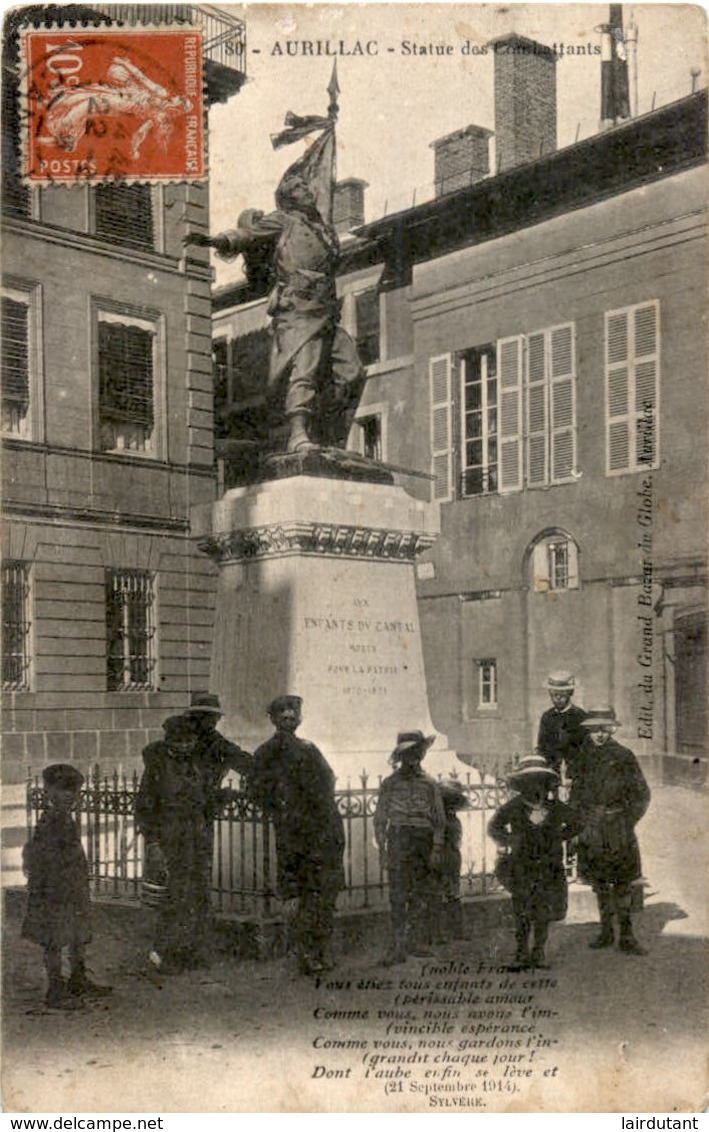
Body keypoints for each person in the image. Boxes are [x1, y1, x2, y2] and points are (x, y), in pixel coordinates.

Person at [185, 172, 365, 454]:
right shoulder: (282, 220)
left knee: (352, 371)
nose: (304, 190)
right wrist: (216, 241)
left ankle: (333, 436)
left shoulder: (324, 230)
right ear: (286, 199)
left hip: (326, 309)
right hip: (298, 308)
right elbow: (247, 235)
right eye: (295, 188)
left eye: (304, 185)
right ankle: (298, 433)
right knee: (304, 369)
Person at [135, 700, 249, 974]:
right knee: (172, 897)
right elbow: (145, 807)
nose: (186, 745)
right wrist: (153, 844)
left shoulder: (195, 765)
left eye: (189, 741)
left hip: (196, 839)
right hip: (170, 840)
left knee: (197, 895)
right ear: (170, 740)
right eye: (180, 741)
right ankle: (165, 953)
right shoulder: (158, 767)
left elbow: (204, 799)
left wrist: (226, 796)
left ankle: (191, 951)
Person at [250, 695, 345, 976]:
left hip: (319, 828)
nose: (289, 720)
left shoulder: (309, 749)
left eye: (293, 716)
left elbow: (328, 780)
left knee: (318, 892)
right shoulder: (267, 752)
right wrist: (281, 810)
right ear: (274, 719)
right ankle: (308, 952)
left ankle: (316, 950)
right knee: (307, 893)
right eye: (284, 716)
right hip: (299, 832)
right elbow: (256, 790)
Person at [22, 763, 112, 1009]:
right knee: (54, 938)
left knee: (78, 935)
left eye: (74, 790)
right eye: (63, 790)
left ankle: (78, 978)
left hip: (72, 889)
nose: (69, 795)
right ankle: (55, 989)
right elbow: (40, 858)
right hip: (54, 891)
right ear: (49, 791)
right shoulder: (50, 821)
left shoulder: (65, 819)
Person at [488, 754, 583, 969]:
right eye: (529, 781)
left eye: (539, 780)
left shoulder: (555, 807)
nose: (535, 786)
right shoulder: (513, 807)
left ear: (545, 782)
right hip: (522, 866)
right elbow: (494, 827)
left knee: (543, 911)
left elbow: (577, 823)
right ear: (521, 784)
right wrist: (509, 840)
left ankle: (538, 952)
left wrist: (559, 836)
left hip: (549, 867)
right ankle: (521, 952)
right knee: (522, 910)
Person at [568, 707, 651, 955]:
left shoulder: (624, 756)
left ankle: (627, 935)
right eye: (595, 730)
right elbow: (575, 797)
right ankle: (606, 932)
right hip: (592, 829)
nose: (600, 735)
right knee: (600, 882)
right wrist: (578, 826)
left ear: (612, 729)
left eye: (604, 729)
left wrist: (626, 821)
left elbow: (641, 795)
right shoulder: (582, 758)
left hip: (618, 828)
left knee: (623, 883)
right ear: (588, 731)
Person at [374, 731, 446, 964]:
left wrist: (436, 848)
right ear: (400, 756)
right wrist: (383, 849)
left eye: (416, 754)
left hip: (422, 841)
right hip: (398, 839)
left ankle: (414, 941)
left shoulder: (430, 784)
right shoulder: (389, 784)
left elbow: (439, 820)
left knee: (420, 892)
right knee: (397, 894)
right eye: (407, 755)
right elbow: (380, 818)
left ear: (422, 755)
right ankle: (396, 945)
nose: (412, 759)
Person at [432, 778, 471, 941]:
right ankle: (452, 931)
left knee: (444, 892)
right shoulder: (449, 820)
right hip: (448, 855)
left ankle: (446, 932)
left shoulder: (444, 820)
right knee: (449, 892)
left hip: (446, 855)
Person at [537, 671, 587, 782]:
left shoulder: (580, 716)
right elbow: (541, 747)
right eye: (554, 695)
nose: (558, 698)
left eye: (562, 695)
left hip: (575, 775)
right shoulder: (547, 717)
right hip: (551, 774)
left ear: (570, 693)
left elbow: (586, 749)